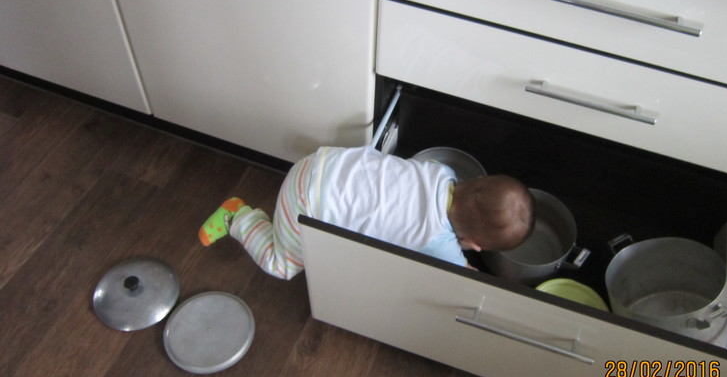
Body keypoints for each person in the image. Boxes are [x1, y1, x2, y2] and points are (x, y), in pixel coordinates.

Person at [199, 146, 534, 280]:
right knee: (282, 266)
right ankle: (238, 217)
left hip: (317, 164)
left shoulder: (440, 171)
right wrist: (470, 262)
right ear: (474, 243)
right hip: (305, 203)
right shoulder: (439, 243)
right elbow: (463, 275)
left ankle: (264, 221)